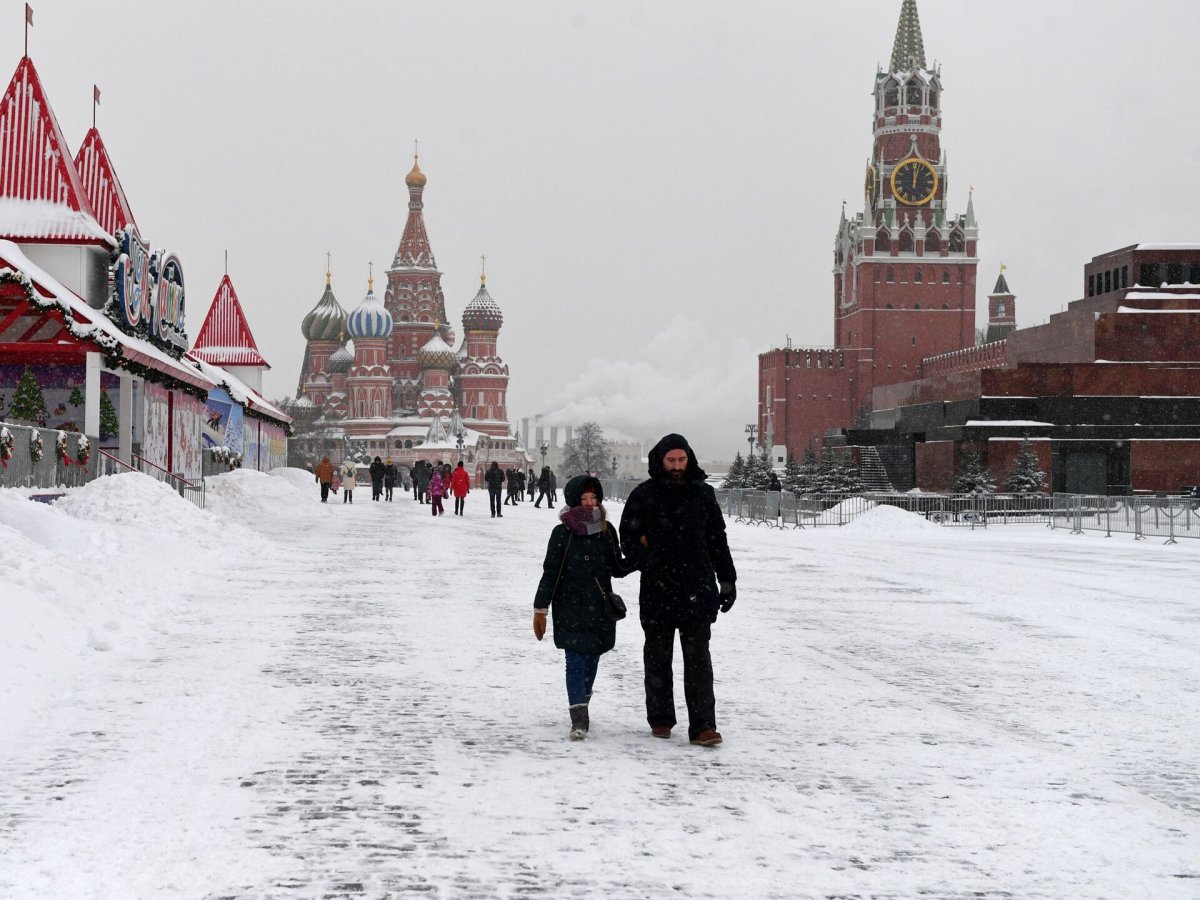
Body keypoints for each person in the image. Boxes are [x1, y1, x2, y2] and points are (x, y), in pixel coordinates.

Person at [619, 433, 737, 747]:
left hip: (697, 588)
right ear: (660, 460)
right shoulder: (643, 495)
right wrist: (652, 566)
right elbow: (628, 539)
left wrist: (727, 579)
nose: (675, 466)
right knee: (657, 657)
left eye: (680, 460)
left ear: (689, 460)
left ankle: (702, 726)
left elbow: (717, 540)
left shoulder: (704, 494)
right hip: (658, 590)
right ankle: (660, 718)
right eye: (670, 460)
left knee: (698, 659)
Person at [533, 475, 634, 740]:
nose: (590, 504)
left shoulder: (606, 530)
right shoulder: (562, 533)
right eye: (584, 499)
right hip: (570, 608)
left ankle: (583, 701)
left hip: (599, 610)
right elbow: (551, 573)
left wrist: (642, 553)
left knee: (592, 660)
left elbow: (618, 567)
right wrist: (540, 609)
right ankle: (579, 718)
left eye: (594, 499)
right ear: (573, 501)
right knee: (575, 661)